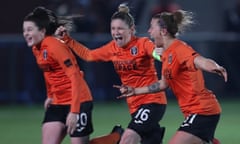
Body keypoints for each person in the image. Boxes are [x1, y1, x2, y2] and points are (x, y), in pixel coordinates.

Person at [55, 3, 167, 144]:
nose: (116, 32)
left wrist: (160, 54)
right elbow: (89, 55)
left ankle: (117, 137)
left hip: (152, 102)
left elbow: (155, 53)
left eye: (120, 28)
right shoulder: (112, 48)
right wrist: (67, 40)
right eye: (113, 28)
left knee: (128, 138)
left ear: (131, 29)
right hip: (134, 105)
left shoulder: (142, 43)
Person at [114, 10, 227, 144]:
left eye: (152, 27)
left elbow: (198, 60)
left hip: (203, 111)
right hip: (193, 113)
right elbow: (163, 84)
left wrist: (214, 66)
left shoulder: (179, 49)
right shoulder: (167, 55)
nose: (149, 31)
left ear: (163, 31)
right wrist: (135, 91)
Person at [23, 6, 123, 144]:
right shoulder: (36, 48)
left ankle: (115, 138)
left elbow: (75, 77)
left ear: (42, 31)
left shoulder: (54, 46)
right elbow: (48, 71)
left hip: (78, 101)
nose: (25, 34)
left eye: (29, 30)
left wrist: (74, 111)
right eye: (24, 30)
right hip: (58, 102)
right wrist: (50, 95)